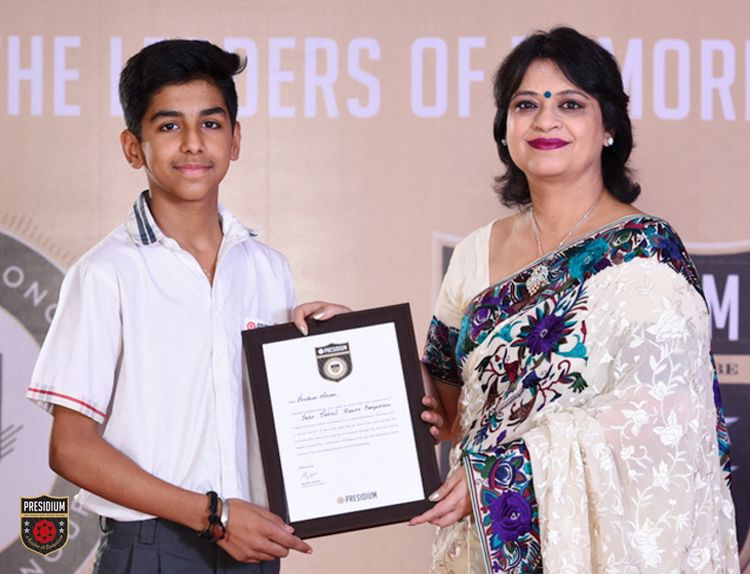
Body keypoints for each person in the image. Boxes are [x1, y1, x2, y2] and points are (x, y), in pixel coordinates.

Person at [410, 27, 740, 573]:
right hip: (482, 549)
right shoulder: (474, 254)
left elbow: (664, 423)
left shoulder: (646, 253)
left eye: (570, 104)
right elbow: (446, 411)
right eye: (525, 105)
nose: (545, 121)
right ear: (505, 129)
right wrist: (360, 347)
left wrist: (506, 476)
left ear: (608, 127)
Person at [26, 39, 347, 573]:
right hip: (152, 546)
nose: (194, 143)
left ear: (235, 139)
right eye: (169, 125)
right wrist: (214, 516)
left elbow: (281, 416)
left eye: (211, 123)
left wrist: (332, 350)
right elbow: (71, 448)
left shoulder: (268, 267)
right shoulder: (106, 272)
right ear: (134, 147)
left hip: (253, 546)